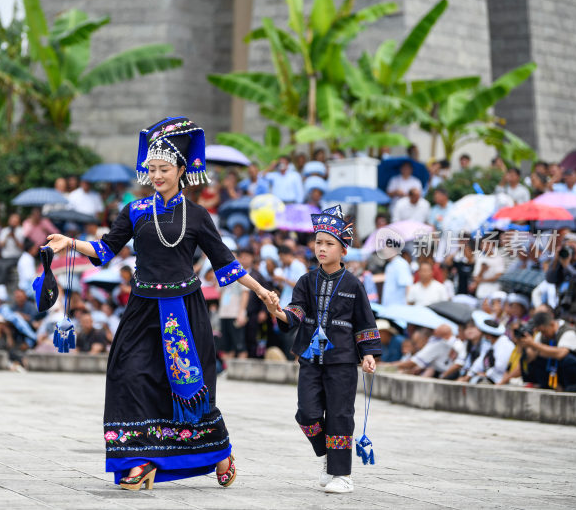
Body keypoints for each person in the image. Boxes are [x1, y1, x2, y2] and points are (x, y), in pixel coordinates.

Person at [45, 117, 276, 490]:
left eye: (164, 169)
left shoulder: (198, 216)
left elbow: (226, 264)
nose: (156, 175)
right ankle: (139, 460)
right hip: (141, 309)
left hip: (183, 311)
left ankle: (218, 450)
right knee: (129, 376)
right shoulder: (135, 210)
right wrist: (70, 243)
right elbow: (104, 250)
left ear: (181, 170)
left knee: (187, 389)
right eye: (151, 169)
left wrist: (263, 292)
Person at [266, 204, 380, 494]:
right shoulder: (306, 280)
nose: (322, 248)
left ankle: (342, 474)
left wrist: (367, 353)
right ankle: (329, 454)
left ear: (343, 250)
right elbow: (296, 314)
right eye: (318, 242)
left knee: (340, 414)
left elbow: (364, 321)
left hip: (342, 358)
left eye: (329, 243)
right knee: (306, 412)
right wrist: (276, 310)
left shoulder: (354, 283)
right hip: (310, 356)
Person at [513, 311, 576, 390]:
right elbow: (531, 357)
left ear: (552, 324)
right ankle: (546, 386)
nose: (543, 334)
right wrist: (524, 345)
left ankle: (571, 389)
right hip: (556, 372)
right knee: (537, 359)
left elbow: (561, 353)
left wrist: (533, 344)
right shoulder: (542, 335)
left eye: (544, 331)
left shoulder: (568, 331)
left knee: (567, 360)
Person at [544, 232, 576, 342]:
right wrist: (556, 260)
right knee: (562, 343)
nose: (570, 251)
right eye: (567, 247)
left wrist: (567, 266)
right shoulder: (561, 263)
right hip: (563, 311)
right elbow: (550, 279)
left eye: (573, 247)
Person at [460, 310, 515, 384]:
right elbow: (480, 360)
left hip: (500, 381)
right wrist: (469, 376)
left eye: (484, 334)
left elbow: (500, 367)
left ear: (488, 335)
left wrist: (486, 374)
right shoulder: (491, 344)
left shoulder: (505, 344)